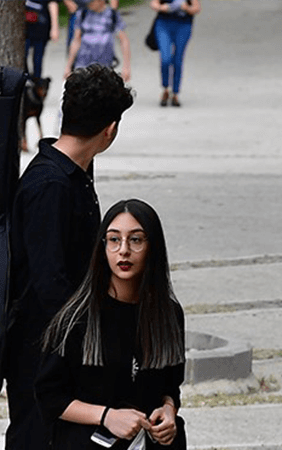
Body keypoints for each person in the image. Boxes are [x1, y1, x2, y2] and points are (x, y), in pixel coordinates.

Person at [5, 64, 133, 450]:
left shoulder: (73, 173)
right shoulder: (51, 186)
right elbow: (50, 285)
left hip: (61, 342)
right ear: (110, 129)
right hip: (41, 349)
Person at [35, 199, 186, 450]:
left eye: (136, 240)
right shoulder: (77, 317)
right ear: (103, 246)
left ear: (153, 246)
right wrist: (107, 416)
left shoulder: (168, 313)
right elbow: (50, 397)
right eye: (114, 240)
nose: (123, 250)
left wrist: (169, 411)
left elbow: (170, 385)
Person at [150, 0, 202, 107]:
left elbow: (196, 8)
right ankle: (165, 88)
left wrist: (186, 8)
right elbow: (154, 4)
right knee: (165, 58)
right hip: (164, 23)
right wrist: (162, 7)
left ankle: (175, 92)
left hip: (183, 25)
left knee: (177, 59)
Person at [65, 0, 131, 82]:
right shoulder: (82, 14)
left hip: (104, 65)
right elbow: (76, 40)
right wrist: (68, 66)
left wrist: (126, 66)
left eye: (91, 2)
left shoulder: (112, 14)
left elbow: (123, 40)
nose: (88, 4)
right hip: (83, 64)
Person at [24, 0, 60, 80]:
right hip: (25, 27)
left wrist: (55, 27)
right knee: (23, 56)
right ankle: (26, 80)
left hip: (40, 26)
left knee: (37, 59)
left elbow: (53, 3)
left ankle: (37, 83)